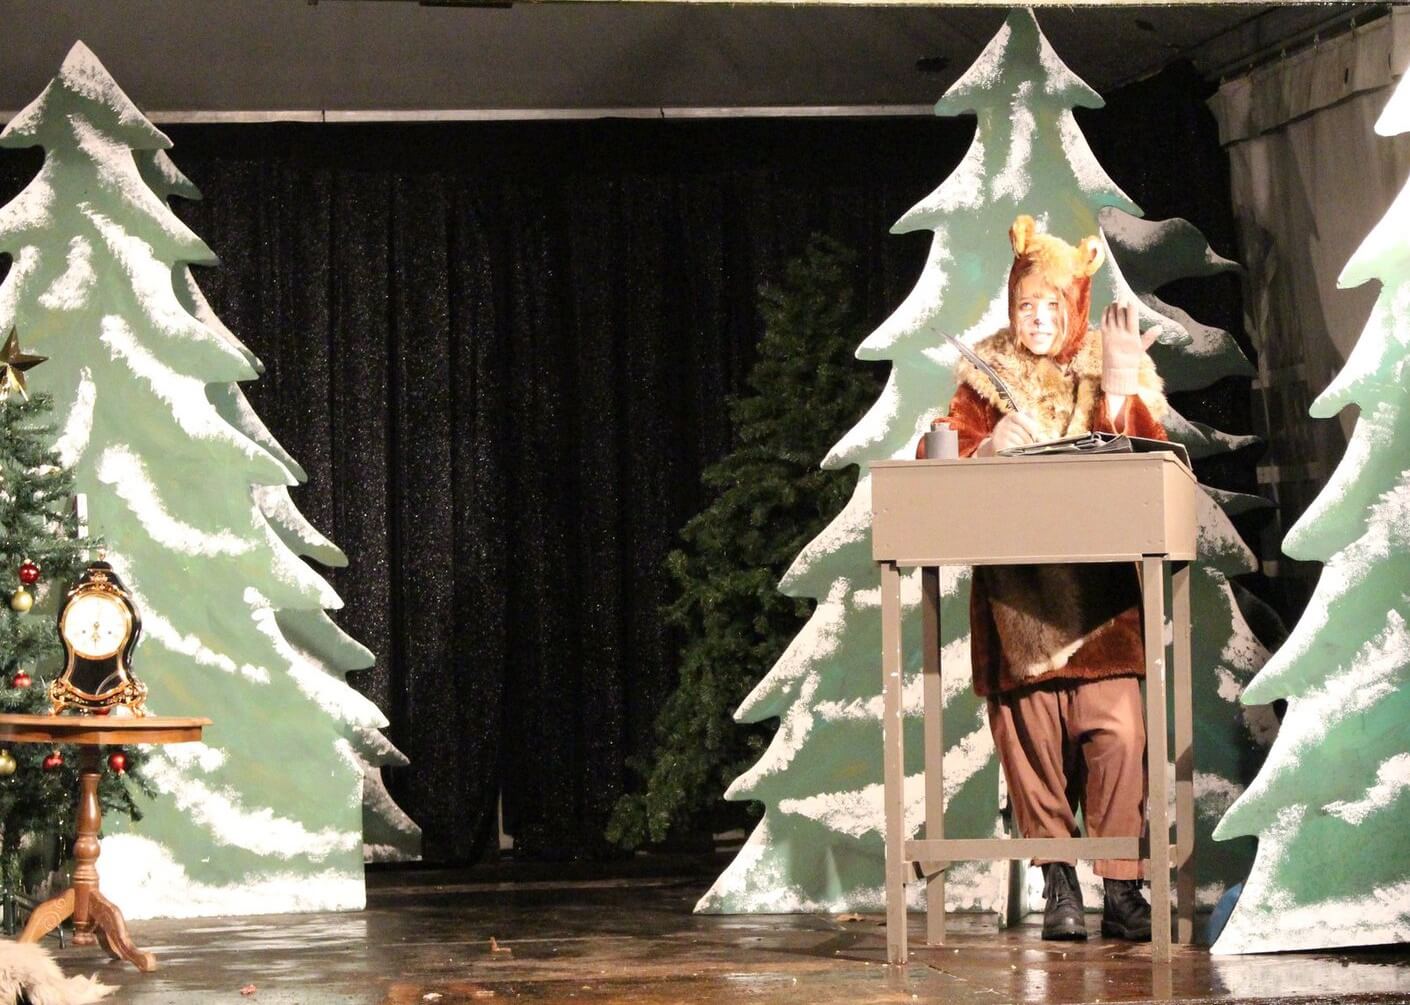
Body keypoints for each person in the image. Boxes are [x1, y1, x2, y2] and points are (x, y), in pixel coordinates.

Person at [919, 214, 1168, 942]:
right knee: (1030, 738)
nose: (1036, 319)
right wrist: (987, 447)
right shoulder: (984, 378)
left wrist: (1118, 389)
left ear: (1074, 307)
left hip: (1100, 609)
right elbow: (935, 458)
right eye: (1025, 305)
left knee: (1119, 733)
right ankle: (1058, 879)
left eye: (1050, 306)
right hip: (1017, 605)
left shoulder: (1106, 362)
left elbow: (1152, 461)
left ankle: (1121, 887)